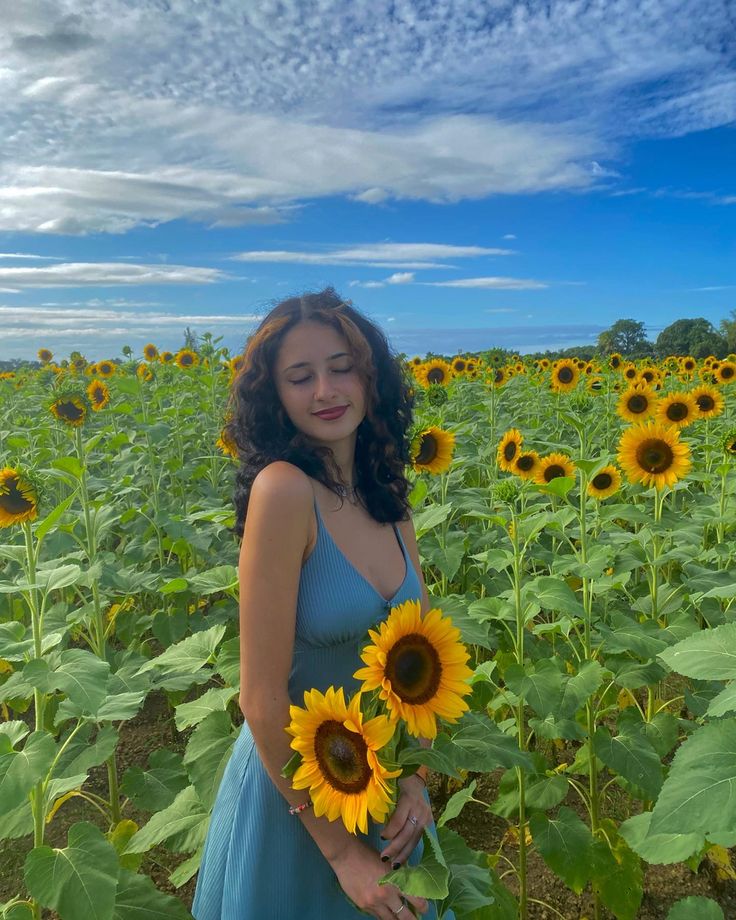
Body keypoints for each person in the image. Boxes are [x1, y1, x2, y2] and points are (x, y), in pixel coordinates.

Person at [192, 288, 454, 920]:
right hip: (301, 803)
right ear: (274, 397)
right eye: (299, 376)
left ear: (371, 377)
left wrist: (416, 774)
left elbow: (414, 659)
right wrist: (340, 854)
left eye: (341, 367)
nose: (325, 391)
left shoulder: (388, 499)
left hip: (381, 787)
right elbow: (260, 696)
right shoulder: (283, 492)